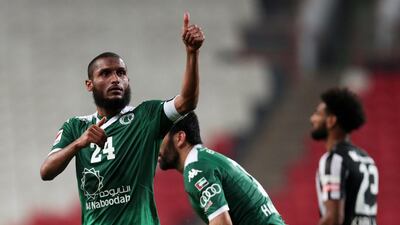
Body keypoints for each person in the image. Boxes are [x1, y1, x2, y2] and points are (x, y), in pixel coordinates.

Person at [40, 12, 204, 225]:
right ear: (89, 84)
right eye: (105, 74)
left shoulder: (145, 116)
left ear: (128, 79)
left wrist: (192, 54)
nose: (115, 79)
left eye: (121, 73)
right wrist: (79, 143)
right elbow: (46, 171)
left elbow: (188, 102)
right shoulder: (76, 126)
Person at [158, 112, 286, 225]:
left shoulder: (196, 169)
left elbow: (221, 223)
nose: (154, 145)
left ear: (180, 138)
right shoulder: (204, 160)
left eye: (160, 136)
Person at [310, 87, 379, 225]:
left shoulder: (334, 160)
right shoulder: (368, 160)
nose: (312, 118)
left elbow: (334, 219)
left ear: (331, 120)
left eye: (318, 114)